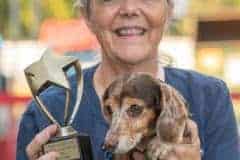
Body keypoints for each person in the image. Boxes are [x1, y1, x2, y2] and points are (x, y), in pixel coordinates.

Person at [17, 0, 239, 160]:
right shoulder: (45, 111)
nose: (130, 9)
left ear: (169, 10)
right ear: (87, 15)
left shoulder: (210, 97)